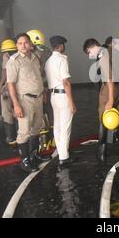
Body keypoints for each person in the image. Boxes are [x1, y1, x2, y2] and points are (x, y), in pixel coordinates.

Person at [6, 33, 49, 173]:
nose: (23, 46)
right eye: (20, 43)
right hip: (24, 100)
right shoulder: (14, 61)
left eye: (25, 42)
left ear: (30, 44)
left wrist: (42, 93)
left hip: (38, 98)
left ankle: (34, 155)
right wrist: (16, 104)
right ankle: (24, 161)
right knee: (24, 131)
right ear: (16, 45)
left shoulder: (35, 58)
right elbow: (11, 84)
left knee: (37, 126)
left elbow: (37, 77)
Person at [83, 38, 119, 162]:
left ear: (93, 47)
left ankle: (101, 152)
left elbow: (109, 79)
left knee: (103, 117)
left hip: (109, 90)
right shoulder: (115, 52)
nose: (90, 56)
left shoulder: (103, 56)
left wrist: (110, 98)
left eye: (89, 52)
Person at [45, 35, 77, 168]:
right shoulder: (62, 59)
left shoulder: (48, 61)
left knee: (57, 126)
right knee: (65, 127)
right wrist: (72, 102)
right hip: (63, 96)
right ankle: (64, 157)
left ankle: (60, 151)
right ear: (61, 46)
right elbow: (66, 82)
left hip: (53, 96)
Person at [27, 29, 53, 148]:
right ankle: (50, 141)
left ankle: (42, 145)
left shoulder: (34, 55)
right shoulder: (47, 51)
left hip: (39, 89)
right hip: (48, 86)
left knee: (40, 117)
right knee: (49, 114)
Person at [0, 39, 18, 146]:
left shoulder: (7, 55)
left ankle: (11, 137)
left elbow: (5, 71)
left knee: (7, 111)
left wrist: (0, 85)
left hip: (8, 87)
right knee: (17, 110)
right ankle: (20, 136)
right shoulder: (19, 55)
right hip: (17, 87)